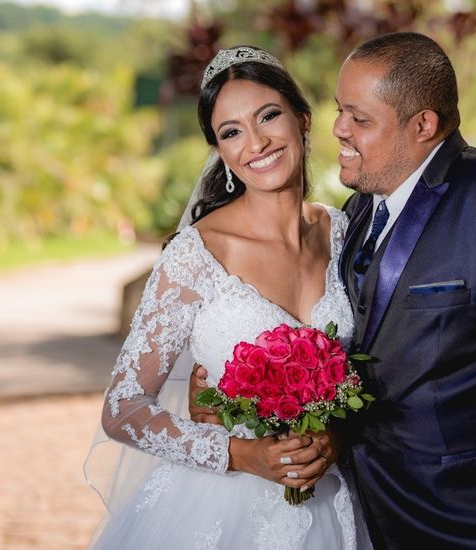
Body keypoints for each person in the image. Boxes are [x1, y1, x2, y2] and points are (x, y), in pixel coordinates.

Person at [192, 32, 476, 549]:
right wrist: (236, 398)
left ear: (423, 124)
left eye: (359, 118)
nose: (337, 129)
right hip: (375, 518)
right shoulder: (355, 215)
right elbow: (357, 357)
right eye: (339, 111)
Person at [86, 46, 371, 549]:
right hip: (218, 512)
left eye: (268, 116)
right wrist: (241, 453)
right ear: (220, 151)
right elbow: (124, 409)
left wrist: (335, 435)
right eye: (231, 132)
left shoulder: (342, 230)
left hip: (331, 498)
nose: (256, 142)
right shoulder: (197, 254)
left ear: (302, 119)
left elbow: (374, 364)